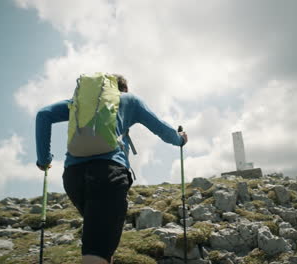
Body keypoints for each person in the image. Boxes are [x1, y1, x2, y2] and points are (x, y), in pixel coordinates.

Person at [35, 74, 188, 264]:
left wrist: (44, 159)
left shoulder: (79, 102)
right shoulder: (129, 100)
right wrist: (180, 138)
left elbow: (43, 114)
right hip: (108, 174)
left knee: (102, 242)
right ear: (123, 89)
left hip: (73, 177)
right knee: (96, 250)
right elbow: (162, 129)